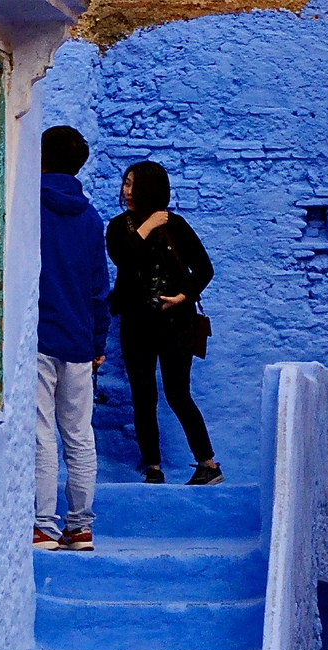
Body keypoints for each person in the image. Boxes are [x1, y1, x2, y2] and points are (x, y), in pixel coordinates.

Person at [106, 161, 220, 486]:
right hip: (136, 323)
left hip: (176, 323)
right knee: (143, 396)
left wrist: (183, 297)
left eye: (134, 185)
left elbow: (204, 269)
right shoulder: (118, 227)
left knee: (177, 393)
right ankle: (153, 468)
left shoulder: (176, 226)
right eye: (126, 183)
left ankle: (208, 464)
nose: (127, 191)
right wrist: (146, 226)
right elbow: (123, 259)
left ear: (151, 189)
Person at [35, 126, 111, 552]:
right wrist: (98, 342)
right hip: (80, 343)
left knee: (42, 433)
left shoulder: (30, 206)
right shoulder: (91, 219)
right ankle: (80, 526)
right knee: (80, 436)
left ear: (41, 157)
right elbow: (99, 288)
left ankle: (42, 525)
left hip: (40, 338)